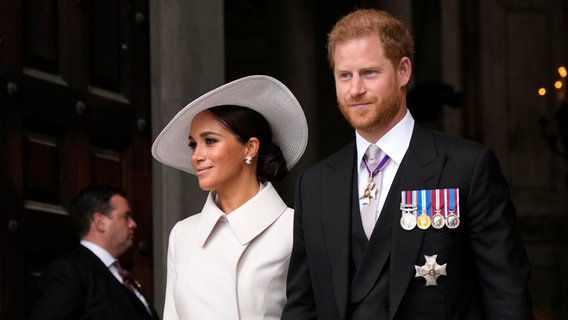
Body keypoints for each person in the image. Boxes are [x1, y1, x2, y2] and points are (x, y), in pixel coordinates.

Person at [282, 8, 532, 319]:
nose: (355, 89)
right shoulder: (314, 184)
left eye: (369, 73)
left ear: (403, 71)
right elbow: (301, 308)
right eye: (344, 75)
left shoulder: (467, 167)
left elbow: (507, 297)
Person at [151, 75, 308, 319]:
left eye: (210, 141)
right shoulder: (182, 234)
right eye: (194, 145)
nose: (196, 156)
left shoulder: (294, 229)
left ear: (250, 147)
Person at [29, 185, 160, 320]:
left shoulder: (121, 275)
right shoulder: (71, 271)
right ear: (100, 222)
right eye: (126, 217)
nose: (133, 224)